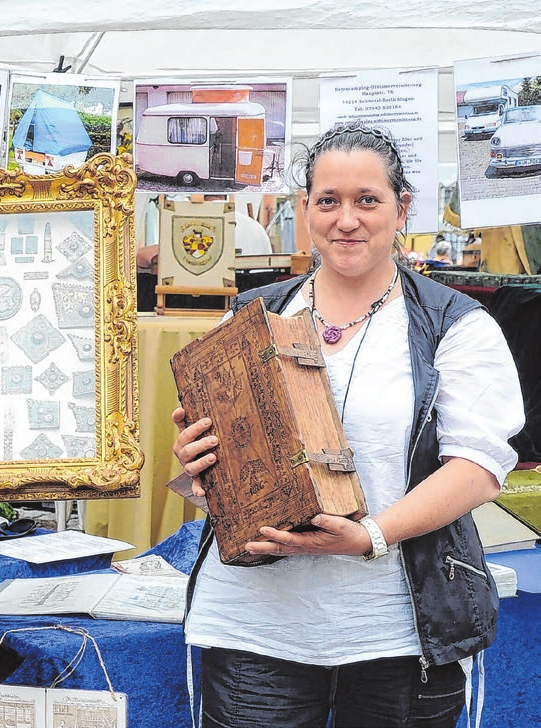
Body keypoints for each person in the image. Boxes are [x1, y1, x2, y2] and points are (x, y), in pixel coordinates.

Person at [172, 122, 524, 728]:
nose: (347, 219)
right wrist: (202, 462)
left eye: (368, 200)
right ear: (305, 208)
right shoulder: (255, 316)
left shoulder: (456, 325)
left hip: (397, 632)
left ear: (401, 207)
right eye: (328, 201)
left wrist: (372, 536)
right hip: (258, 626)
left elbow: (479, 466)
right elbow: (227, 454)